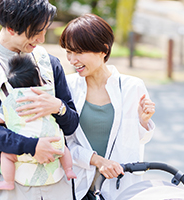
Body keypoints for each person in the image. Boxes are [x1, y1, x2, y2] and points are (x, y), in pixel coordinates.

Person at [0, 0, 79, 199]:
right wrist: (32, 146)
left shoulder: (49, 63)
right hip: (9, 187)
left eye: (45, 30)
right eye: (35, 32)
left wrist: (59, 107)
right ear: (10, 27)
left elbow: (71, 124)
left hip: (57, 183)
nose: (41, 39)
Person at [60, 14, 156, 200]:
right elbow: (63, 142)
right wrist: (96, 160)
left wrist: (143, 121)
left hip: (122, 186)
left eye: (78, 52)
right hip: (79, 186)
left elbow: (138, 140)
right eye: (68, 52)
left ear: (103, 50)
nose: (72, 60)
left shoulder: (132, 86)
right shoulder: (67, 86)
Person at [0, 54, 76, 191]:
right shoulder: (46, 96)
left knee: (6, 156)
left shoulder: (11, 101)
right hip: (53, 144)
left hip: (24, 148)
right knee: (64, 149)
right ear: (38, 80)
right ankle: (69, 169)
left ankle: (8, 181)